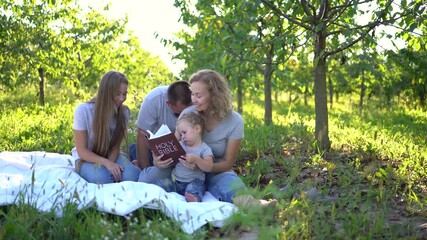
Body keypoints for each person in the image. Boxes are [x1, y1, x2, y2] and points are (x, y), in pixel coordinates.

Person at [140, 69, 276, 208]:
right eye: (192, 94)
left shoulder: (235, 121)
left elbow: (227, 164)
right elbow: (175, 146)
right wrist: (159, 161)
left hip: (214, 170)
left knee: (230, 184)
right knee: (147, 178)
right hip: (182, 168)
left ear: (215, 96)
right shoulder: (188, 114)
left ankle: (257, 207)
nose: (193, 100)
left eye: (198, 95)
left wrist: (202, 165)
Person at [72, 70, 141, 184]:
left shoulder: (124, 112)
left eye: (125, 94)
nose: (122, 98)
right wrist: (107, 164)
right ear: (106, 93)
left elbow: (115, 147)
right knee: (102, 178)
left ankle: (134, 167)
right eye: (118, 94)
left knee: (131, 176)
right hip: (86, 159)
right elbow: (82, 151)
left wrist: (111, 164)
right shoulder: (83, 111)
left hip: (111, 155)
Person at [153, 112, 213, 202]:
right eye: (181, 134)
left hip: (194, 181)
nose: (182, 137)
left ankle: (193, 198)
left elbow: (209, 167)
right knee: (159, 185)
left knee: (194, 189)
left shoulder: (204, 149)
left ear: (197, 129)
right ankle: (152, 196)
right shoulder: (179, 145)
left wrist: (197, 159)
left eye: (184, 133)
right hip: (175, 181)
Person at [131, 81, 192, 170]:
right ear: (169, 104)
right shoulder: (154, 100)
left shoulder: (196, 100)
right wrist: (145, 170)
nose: (183, 115)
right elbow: (142, 135)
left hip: (185, 150)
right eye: (180, 113)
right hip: (155, 149)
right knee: (136, 152)